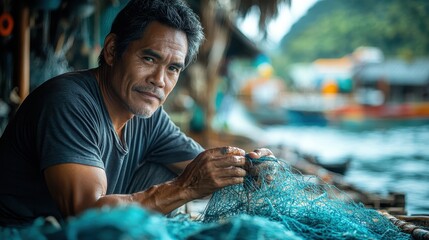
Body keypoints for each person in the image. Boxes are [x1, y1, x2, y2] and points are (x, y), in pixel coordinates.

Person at [0, 0, 275, 227]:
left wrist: (249, 167)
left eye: (173, 69)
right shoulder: (67, 102)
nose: (159, 80)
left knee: (170, 170)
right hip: (22, 232)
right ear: (111, 51)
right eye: (149, 58)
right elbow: (85, 214)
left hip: (71, 229)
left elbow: (203, 165)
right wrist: (185, 188)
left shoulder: (149, 116)